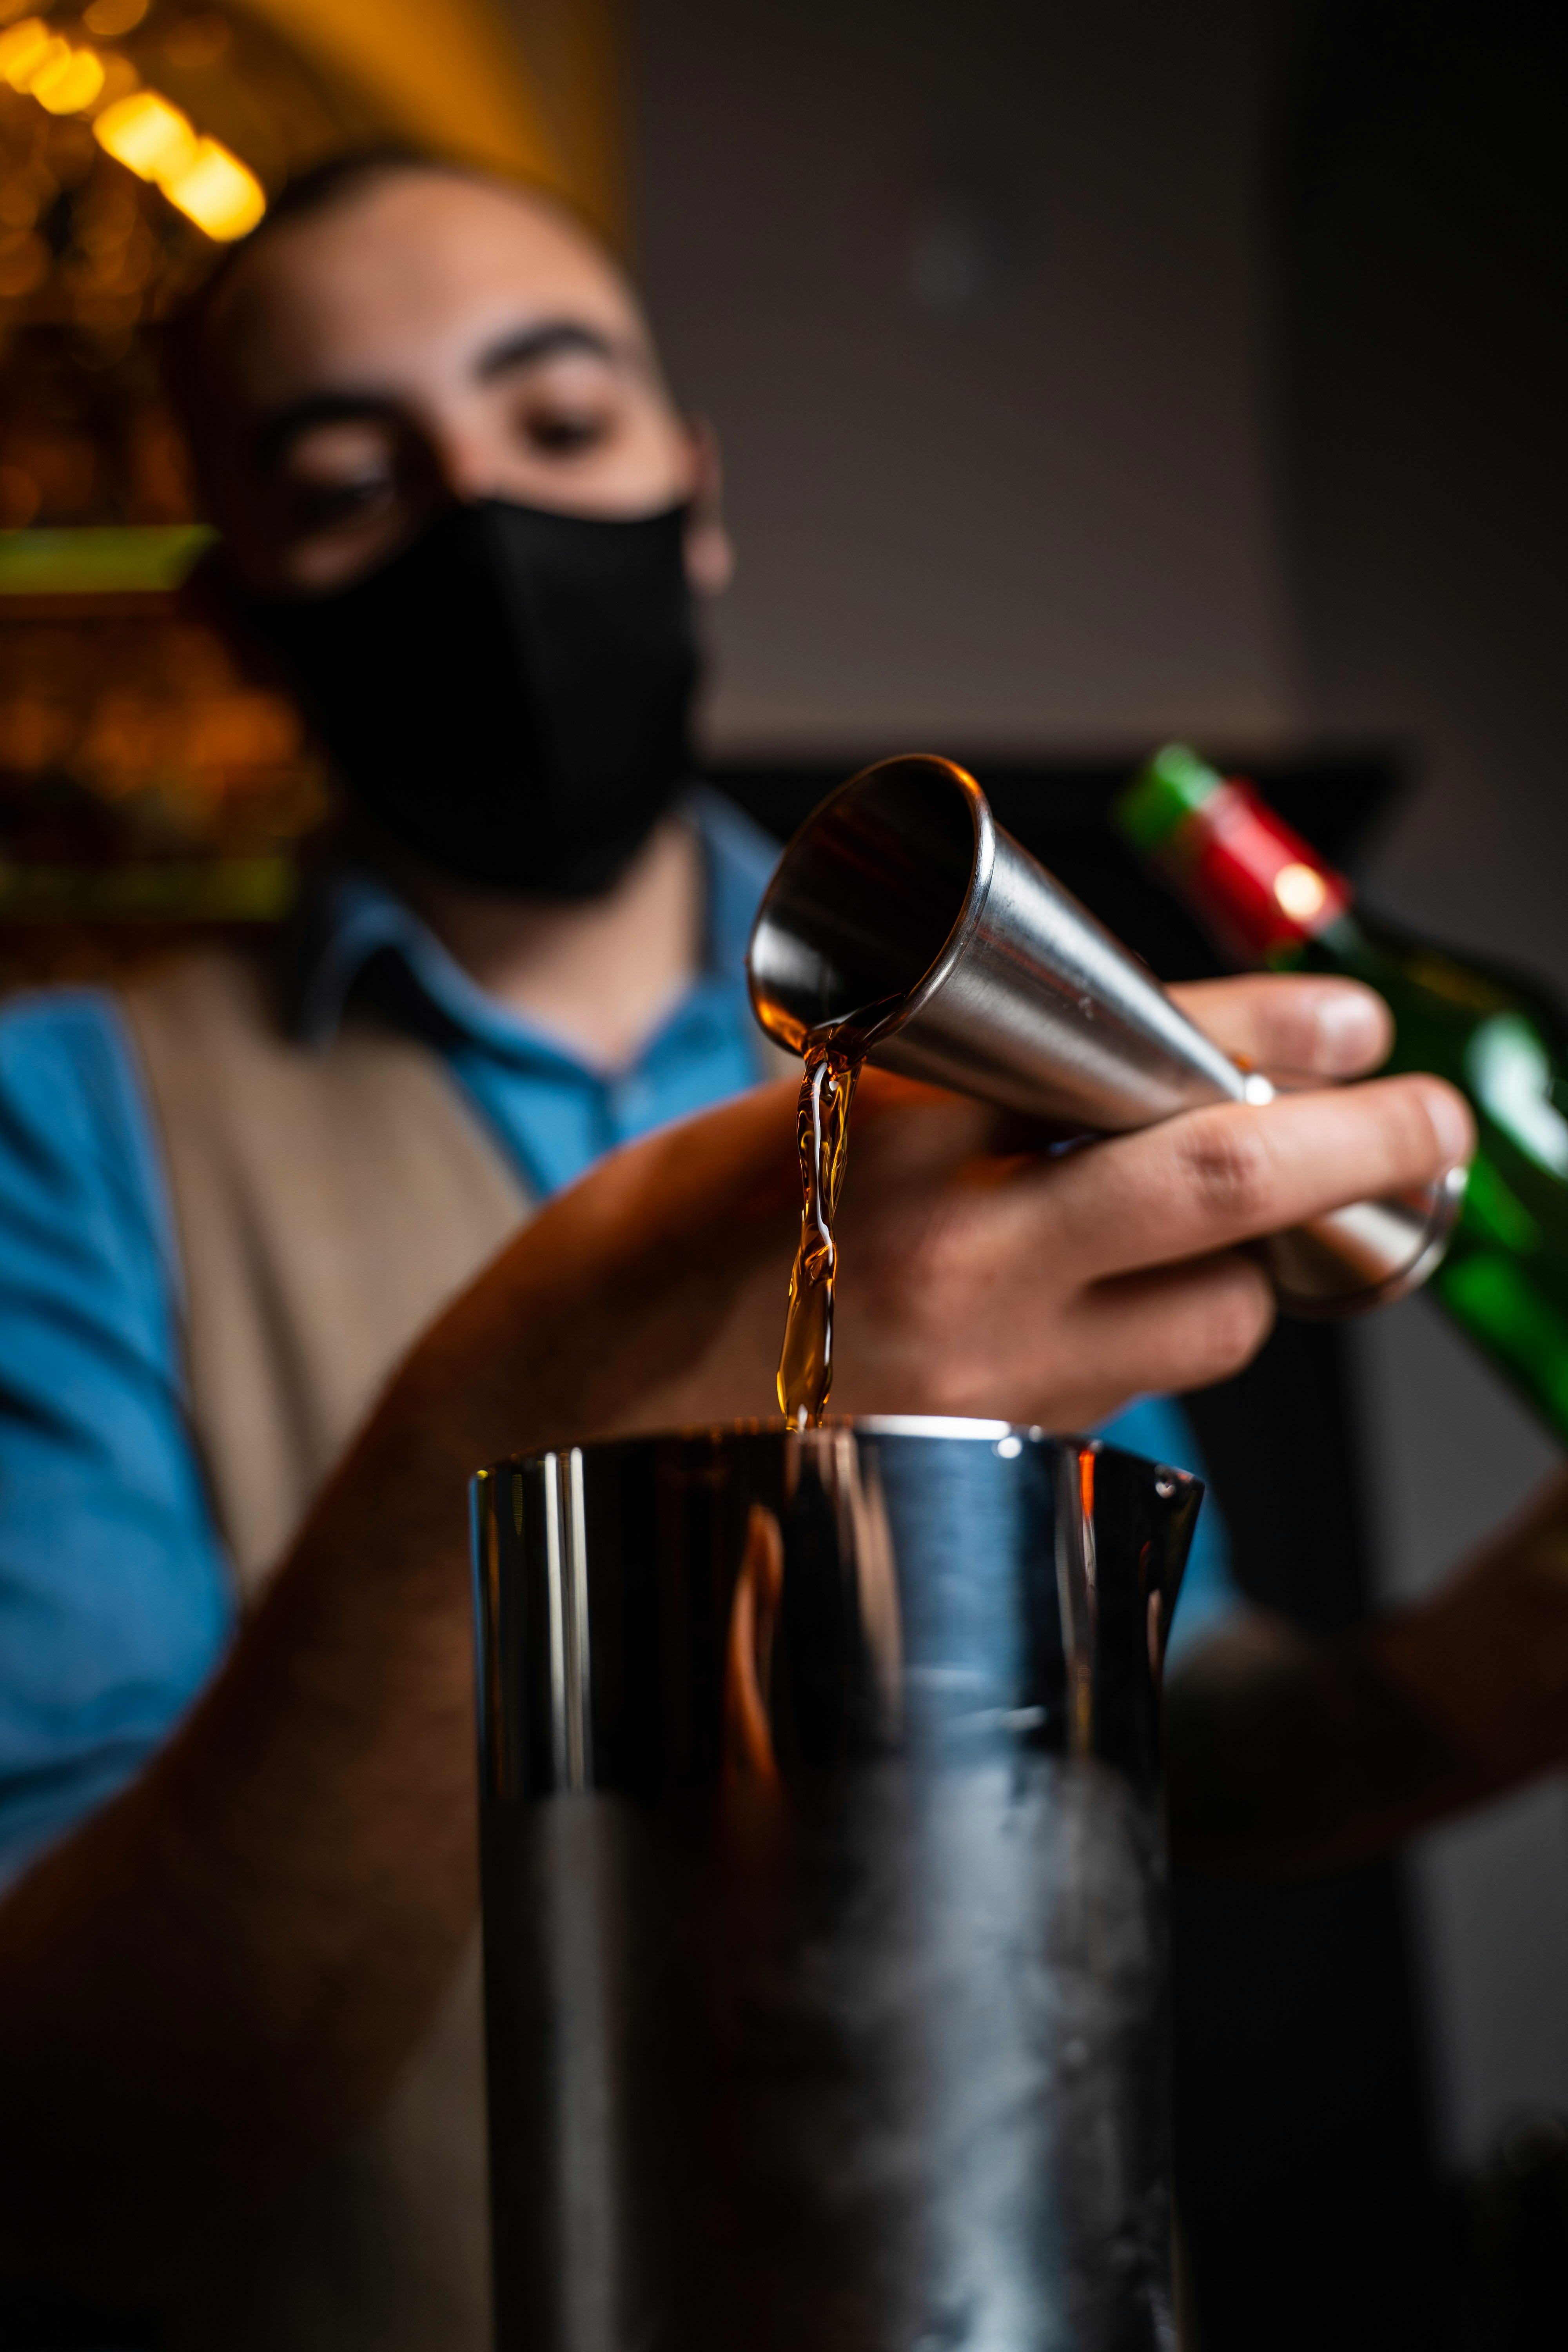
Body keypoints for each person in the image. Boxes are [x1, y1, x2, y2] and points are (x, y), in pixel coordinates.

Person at [0, 151, 1541, 2347]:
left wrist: (1481, 1676)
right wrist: (574, 1378)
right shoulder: (56, 1130)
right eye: (355, 478)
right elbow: (77, 2130)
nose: (487, 522)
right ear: (243, 616)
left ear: (694, 496)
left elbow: (1177, 1735)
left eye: (555, 426)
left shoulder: (987, 1047)